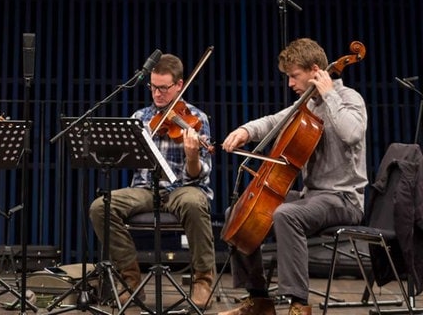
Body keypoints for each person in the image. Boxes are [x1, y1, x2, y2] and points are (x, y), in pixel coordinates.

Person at [218, 38, 368, 315]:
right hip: (313, 197)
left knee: (286, 214)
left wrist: (329, 94)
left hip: (343, 199)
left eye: (294, 76)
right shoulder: (307, 106)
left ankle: (299, 304)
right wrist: (245, 131)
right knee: (237, 211)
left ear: (315, 71)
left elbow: (352, 133)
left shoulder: (349, 99)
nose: (290, 84)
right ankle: (259, 299)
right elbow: (274, 120)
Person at [88, 53, 216, 308]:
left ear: (179, 85)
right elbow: (131, 162)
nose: (157, 94)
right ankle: (130, 279)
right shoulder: (142, 117)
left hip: (183, 188)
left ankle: (202, 279)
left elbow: (200, 173)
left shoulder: (196, 118)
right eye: (153, 87)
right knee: (100, 207)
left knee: (193, 203)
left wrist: (192, 156)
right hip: (146, 189)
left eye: (164, 88)